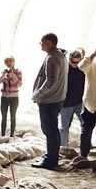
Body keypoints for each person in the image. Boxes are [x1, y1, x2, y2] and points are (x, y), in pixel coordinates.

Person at [31, 33, 67, 169]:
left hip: (49, 100)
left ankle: (50, 160)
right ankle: (51, 156)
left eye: (42, 42)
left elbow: (51, 81)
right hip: (57, 98)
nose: (40, 44)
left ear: (50, 43)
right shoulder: (61, 55)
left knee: (49, 129)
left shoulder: (52, 58)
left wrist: (38, 94)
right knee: (52, 129)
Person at [59, 49, 86, 146]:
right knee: (64, 127)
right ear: (69, 59)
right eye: (73, 62)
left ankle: (86, 145)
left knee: (85, 125)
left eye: (77, 62)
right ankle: (63, 147)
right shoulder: (64, 69)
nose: (75, 64)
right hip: (66, 103)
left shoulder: (83, 69)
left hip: (80, 102)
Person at [0, 57, 22, 137]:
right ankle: (2, 135)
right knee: (3, 117)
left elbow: (19, 84)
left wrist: (13, 76)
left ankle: (12, 135)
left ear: (14, 62)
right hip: (4, 97)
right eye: (7, 62)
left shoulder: (18, 71)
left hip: (14, 97)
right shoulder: (4, 72)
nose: (8, 63)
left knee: (13, 116)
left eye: (10, 61)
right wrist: (3, 76)